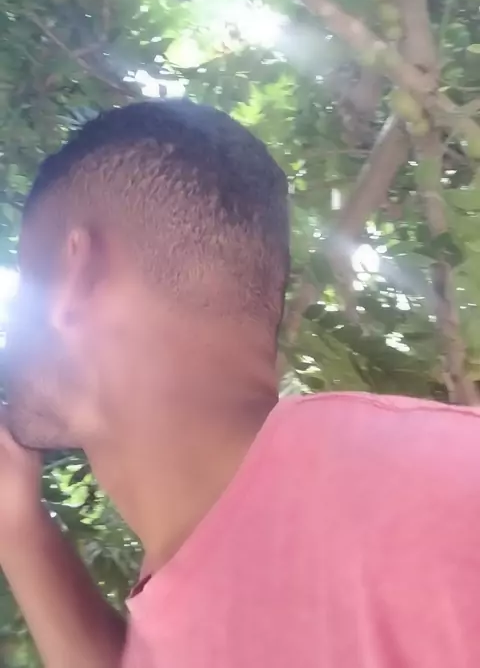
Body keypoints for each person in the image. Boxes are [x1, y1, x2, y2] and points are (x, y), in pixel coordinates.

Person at [1, 99, 480, 668]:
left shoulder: (450, 490)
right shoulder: (193, 580)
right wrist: (18, 528)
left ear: (75, 276)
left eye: (26, 281)